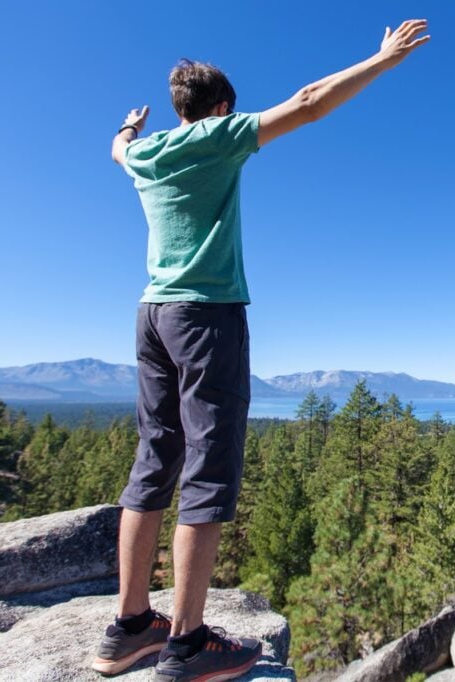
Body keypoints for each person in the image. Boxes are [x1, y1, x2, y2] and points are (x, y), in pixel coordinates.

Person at [92, 20, 430, 681]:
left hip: (151, 314)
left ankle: (129, 626)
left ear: (178, 106)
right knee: (209, 468)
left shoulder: (146, 154)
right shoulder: (216, 136)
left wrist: (129, 126)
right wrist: (382, 60)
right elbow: (308, 103)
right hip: (205, 316)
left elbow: (116, 149)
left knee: (154, 459)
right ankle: (186, 645)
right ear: (221, 107)